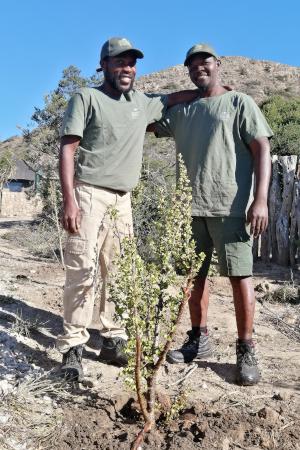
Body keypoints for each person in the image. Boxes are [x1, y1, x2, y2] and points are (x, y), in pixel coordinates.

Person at [57, 37, 202, 382]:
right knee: (83, 269)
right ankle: (73, 347)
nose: (127, 69)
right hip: (89, 194)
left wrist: (208, 92)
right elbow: (67, 150)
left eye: (132, 63)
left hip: (123, 200)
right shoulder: (87, 97)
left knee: (119, 273)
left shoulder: (141, 102)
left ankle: (113, 339)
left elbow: (170, 99)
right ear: (104, 65)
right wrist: (69, 199)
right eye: (120, 62)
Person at [150, 43, 273, 385]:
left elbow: (262, 147)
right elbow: (144, 114)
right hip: (189, 208)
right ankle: (198, 339)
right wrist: (182, 94)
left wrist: (259, 199)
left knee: (240, 276)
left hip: (230, 206)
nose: (199, 67)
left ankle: (246, 348)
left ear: (218, 64)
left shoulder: (239, 103)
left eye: (205, 62)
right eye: (192, 64)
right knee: (194, 277)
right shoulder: (183, 111)